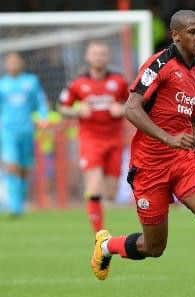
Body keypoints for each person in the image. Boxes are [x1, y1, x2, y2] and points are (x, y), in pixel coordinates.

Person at [90, 10, 195, 297]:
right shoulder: (160, 64)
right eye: (193, 32)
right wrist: (168, 138)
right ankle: (108, 245)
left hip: (183, 162)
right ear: (176, 35)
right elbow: (131, 108)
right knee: (154, 247)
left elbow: (193, 122)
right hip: (149, 168)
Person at [58, 41, 129, 233]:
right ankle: (99, 234)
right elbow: (62, 108)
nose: (99, 57)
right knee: (95, 187)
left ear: (108, 57)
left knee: (111, 193)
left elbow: (135, 105)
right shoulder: (77, 84)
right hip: (90, 141)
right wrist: (77, 111)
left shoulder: (120, 82)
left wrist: (122, 109)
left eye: (102, 54)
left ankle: (95, 208)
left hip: (114, 141)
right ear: (88, 57)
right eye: (95, 54)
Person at [0, 52, 48, 216]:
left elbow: (40, 102)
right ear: (5, 65)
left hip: (27, 130)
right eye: (9, 61)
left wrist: (43, 117)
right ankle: (15, 207)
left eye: (15, 61)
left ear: (21, 63)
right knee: (11, 166)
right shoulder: (0, 85)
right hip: (7, 131)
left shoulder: (31, 82)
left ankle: (20, 198)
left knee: (25, 168)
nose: (12, 64)